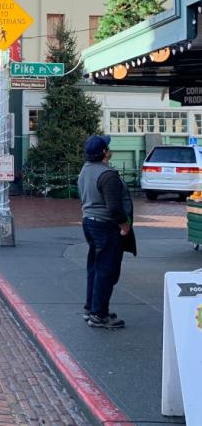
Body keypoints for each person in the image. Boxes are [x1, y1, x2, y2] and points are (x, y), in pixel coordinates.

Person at [78, 134, 134, 330]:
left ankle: (91, 308)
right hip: (105, 225)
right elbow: (114, 207)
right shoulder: (107, 175)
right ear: (104, 153)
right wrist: (124, 226)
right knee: (106, 270)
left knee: (95, 266)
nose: (110, 149)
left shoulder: (85, 170)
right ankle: (99, 314)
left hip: (89, 222)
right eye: (108, 147)